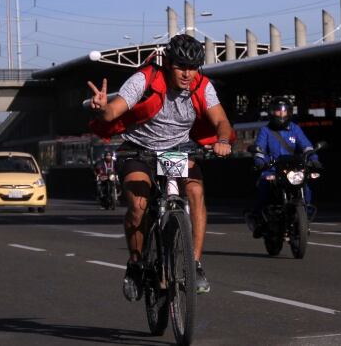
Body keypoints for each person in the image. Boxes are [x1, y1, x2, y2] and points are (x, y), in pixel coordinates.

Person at [87, 34, 233, 299]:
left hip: (176, 152)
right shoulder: (145, 79)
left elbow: (221, 120)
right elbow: (113, 112)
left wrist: (223, 140)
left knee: (196, 193)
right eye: (180, 66)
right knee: (138, 206)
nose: (187, 74)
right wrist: (102, 108)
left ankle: (195, 265)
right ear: (168, 63)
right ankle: (134, 265)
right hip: (138, 150)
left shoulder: (203, 85)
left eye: (193, 67)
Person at [248, 97, 322, 236]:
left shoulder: (295, 129)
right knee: (264, 185)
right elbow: (259, 148)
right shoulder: (266, 130)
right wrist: (259, 161)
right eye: (277, 112)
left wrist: (314, 159)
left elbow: (306, 146)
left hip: (293, 170)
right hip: (272, 168)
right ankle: (258, 218)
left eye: (284, 112)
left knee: (306, 188)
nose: (281, 115)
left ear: (289, 113)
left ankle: (304, 217)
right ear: (271, 113)